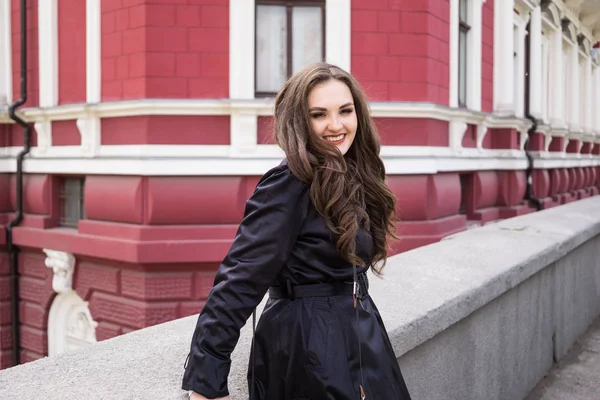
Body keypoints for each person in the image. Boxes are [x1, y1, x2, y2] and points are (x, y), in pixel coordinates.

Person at [182, 62, 412, 400]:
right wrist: (207, 377)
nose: (336, 125)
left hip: (360, 336)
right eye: (319, 115)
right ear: (299, 122)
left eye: (345, 111)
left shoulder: (351, 176)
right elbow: (241, 277)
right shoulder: (289, 182)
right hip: (306, 349)